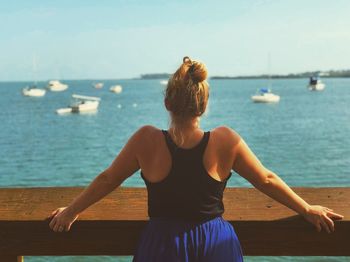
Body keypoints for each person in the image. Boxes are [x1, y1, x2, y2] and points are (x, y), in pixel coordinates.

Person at [49, 56, 344, 261]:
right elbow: (266, 179)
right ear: (203, 106)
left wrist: (71, 211)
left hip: (162, 244)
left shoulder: (146, 139)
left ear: (167, 102)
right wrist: (306, 209)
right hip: (215, 243)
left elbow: (108, 179)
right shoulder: (225, 141)